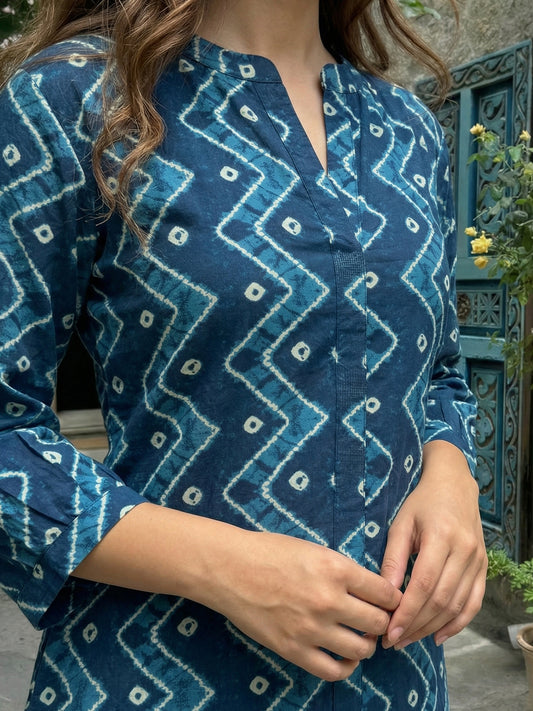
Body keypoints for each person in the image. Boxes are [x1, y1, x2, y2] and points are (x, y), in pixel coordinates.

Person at [0, 0, 487, 708]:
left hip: (395, 678)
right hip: (156, 676)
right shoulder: (77, 99)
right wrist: (224, 567)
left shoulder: (408, 129)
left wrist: (451, 478)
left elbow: (438, 370)